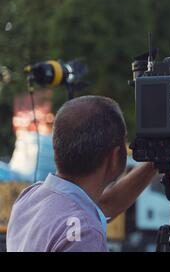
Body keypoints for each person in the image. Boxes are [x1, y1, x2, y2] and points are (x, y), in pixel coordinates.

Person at [7, 96, 158, 252]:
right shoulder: (85, 232)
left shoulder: (30, 198)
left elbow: (102, 207)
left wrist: (154, 163)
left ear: (57, 146)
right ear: (114, 157)